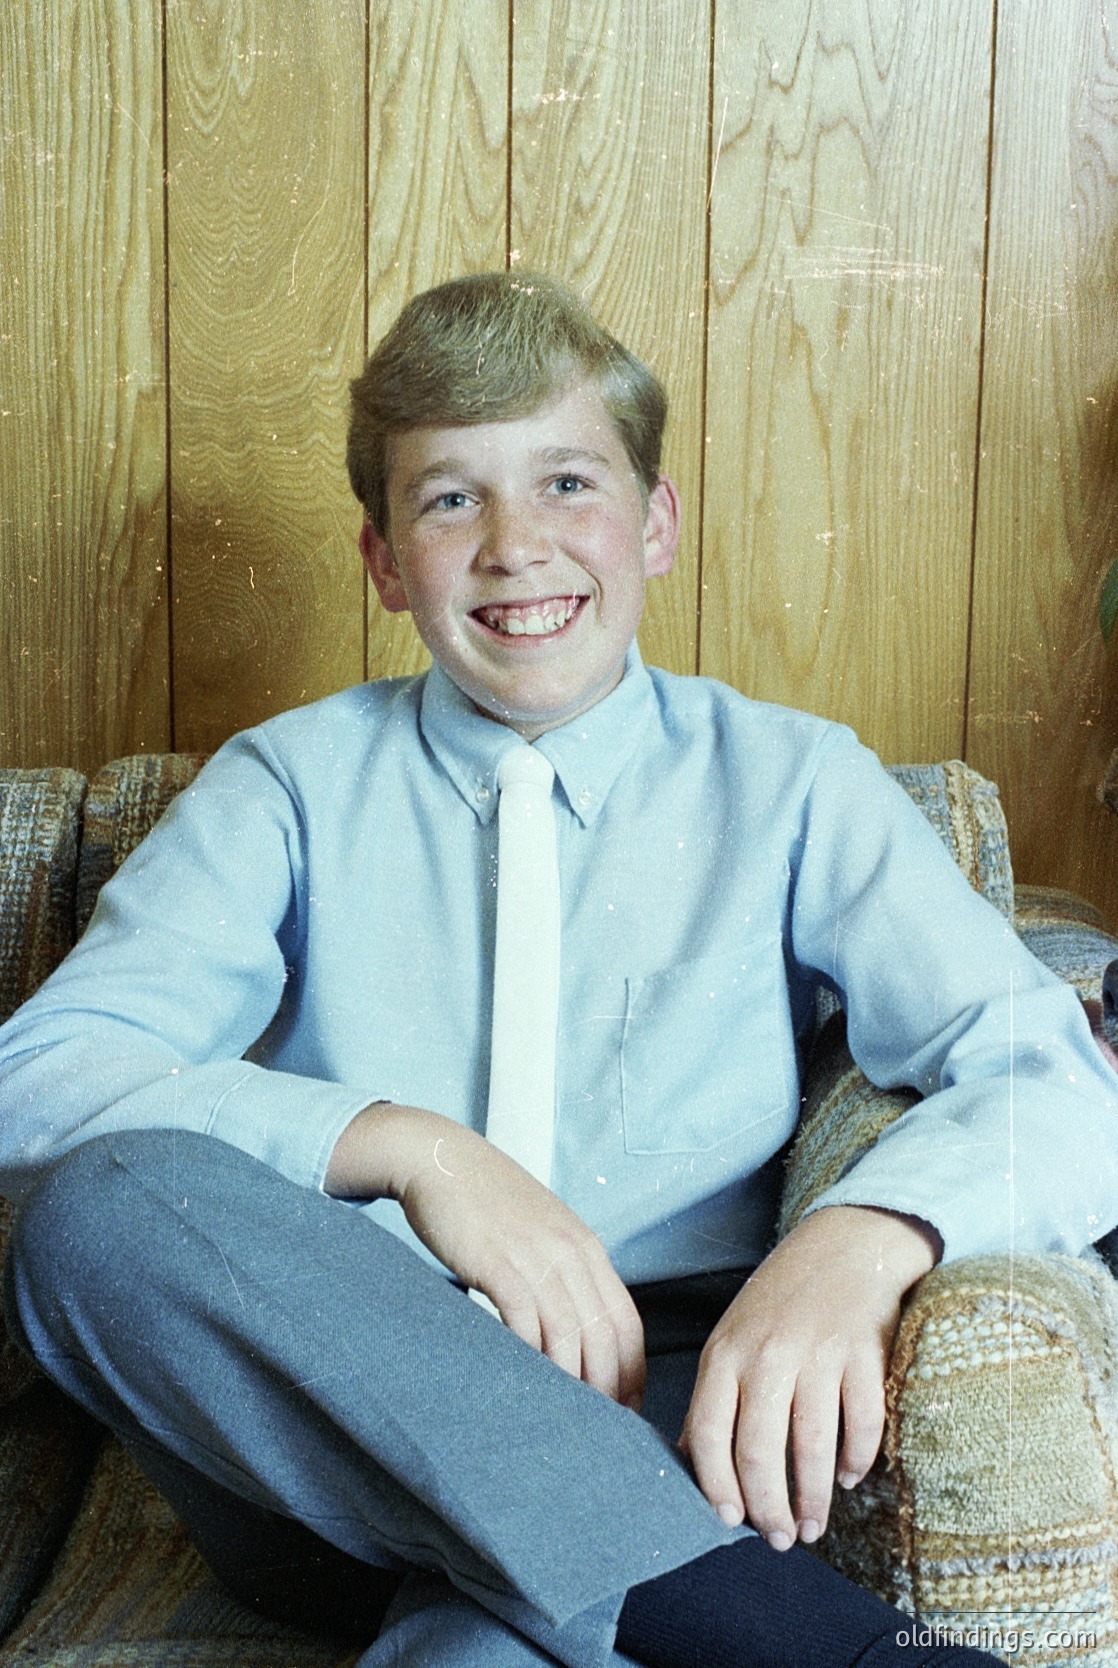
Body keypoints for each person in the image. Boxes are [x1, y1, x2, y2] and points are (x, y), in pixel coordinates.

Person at [0, 271, 1115, 1668]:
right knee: (96, 1213)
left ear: (654, 525)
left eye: (568, 483)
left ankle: (696, 1605)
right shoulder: (282, 786)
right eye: (449, 500)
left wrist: (862, 1237)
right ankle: (821, 1647)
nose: (514, 547)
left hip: (666, 1407)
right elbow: (38, 1081)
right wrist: (416, 1154)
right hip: (327, 1423)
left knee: (474, 1649)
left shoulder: (792, 782)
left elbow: (1057, 1077)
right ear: (384, 562)